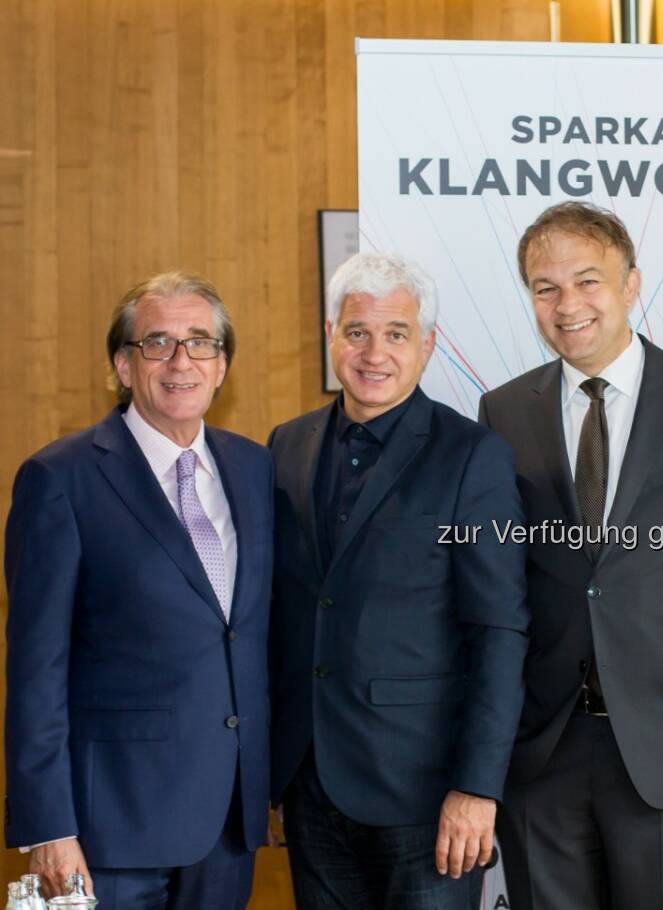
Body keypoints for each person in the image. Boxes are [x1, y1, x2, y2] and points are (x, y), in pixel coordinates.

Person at [477, 201, 663, 910]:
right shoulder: (504, 411)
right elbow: (499, 591)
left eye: (588, 281)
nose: (567, 305)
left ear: (631, 284)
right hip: (542, 754)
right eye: (546, 288)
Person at [268, 252, 528, 909]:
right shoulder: (285, 445)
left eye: (396, 333)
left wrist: (477, 787)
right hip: (309, 785)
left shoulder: (473, 456)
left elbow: (499, 631)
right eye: (357, 331)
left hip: (427, 796)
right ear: (331, 335)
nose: (374, 353)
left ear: (428, 344)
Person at [4, 272, 272, 908]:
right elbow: (37, 667)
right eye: (157, 343)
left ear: (222, 366)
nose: (181, 361)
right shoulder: (60, 478)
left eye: (200, 342)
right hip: (110, 829)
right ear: (123, 366)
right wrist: (49, 827)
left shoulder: (255, 468)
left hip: (228, 821)